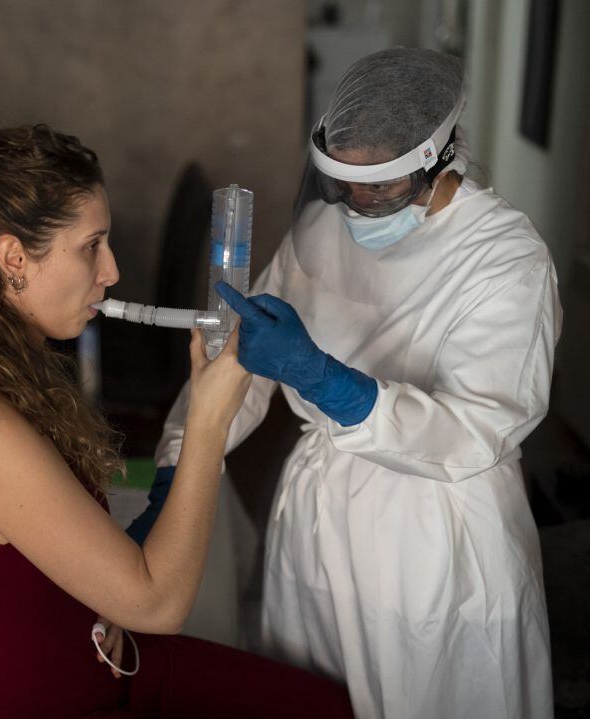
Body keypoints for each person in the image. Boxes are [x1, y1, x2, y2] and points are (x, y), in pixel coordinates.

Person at [0, 125, 354, 718]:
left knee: (327, 706)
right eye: (91, 246)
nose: (111, 272)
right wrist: (208, 425)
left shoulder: (5, 370)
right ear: (13, 258)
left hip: (95, 665)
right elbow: (157, 603)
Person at [152, 48, 560, 718]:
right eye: (346, 183)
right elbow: (245, 363)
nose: (362, 201)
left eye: (383, 185)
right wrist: (180, 456)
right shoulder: (321, 226)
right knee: (306, 693)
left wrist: (337, 385)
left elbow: (479, 428)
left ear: (438, 155)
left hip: (436, 537)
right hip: (318, 519)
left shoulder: (507, 258)